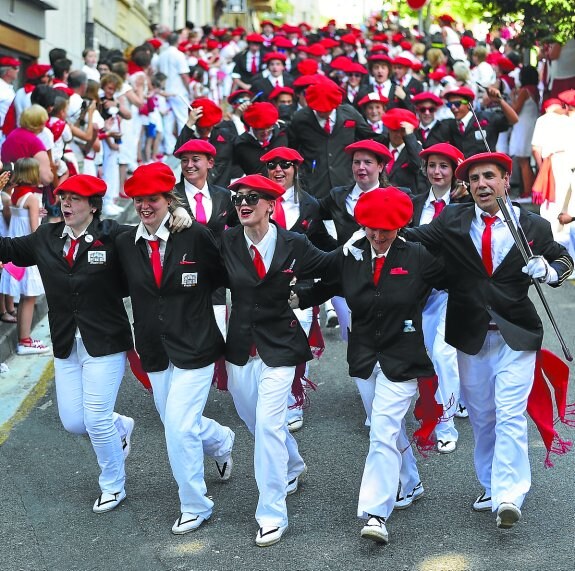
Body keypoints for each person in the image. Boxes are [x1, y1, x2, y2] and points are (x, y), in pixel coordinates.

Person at [405, 151, 573, 529]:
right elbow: (414, 236)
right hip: (470, 336)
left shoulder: (533, 225)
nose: (481, 184)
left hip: (516, 335)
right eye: (475, 179)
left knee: (510, 415)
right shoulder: (452, 219)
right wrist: (377, 227)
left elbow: (564, 260)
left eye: (489, 177)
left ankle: (510, 494)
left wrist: (548, 270)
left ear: (505, 181)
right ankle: (491, 484)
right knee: (483, 417)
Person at [293, 187, 443, 545]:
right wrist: (289, 297)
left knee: (381, 429)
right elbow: (324, 285)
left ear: (400, 227)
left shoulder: (418, 256)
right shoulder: (350, 254)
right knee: (388, 428)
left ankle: (376, 513)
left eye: (385, 230)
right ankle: (412, 482)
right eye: (371, 228)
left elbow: (456, 281)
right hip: (363, 356)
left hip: (404, 358)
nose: (377, 236)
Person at [0, 174, 135, 513]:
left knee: (96, 420)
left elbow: (152, 246)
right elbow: (8, 249)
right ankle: (122, 426)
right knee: (75, 421)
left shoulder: (115, 235)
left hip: (105, 341)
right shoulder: (46, 236)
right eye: (63, 197)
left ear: (93, 205)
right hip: (66, 342)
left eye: (75, 198)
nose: (67, 203)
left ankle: (113, 484)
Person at [117, 162, 234, 535]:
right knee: (177, 423)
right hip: (153, 348)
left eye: (153, 199)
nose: (145, 206)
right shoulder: (124, 242)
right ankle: (221, 439)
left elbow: (224, 277)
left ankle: (195, 505)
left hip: (196, 346)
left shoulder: (195, 235)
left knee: (178, 428)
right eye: (138, 200)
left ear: (169, 199)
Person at [221, 174, 337, 547]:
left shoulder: (295, 243)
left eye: (252, 198)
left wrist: (304, 293)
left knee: (269, 425)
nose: (243, 203)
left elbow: (333, 269)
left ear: (271, 205)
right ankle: (293, 463)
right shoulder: (224, 242)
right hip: (240, 347)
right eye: (238, 197)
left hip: (282, 346)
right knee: (254, 422)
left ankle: (271, 512)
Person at [261, 146, 337, 431]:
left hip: (300, 291)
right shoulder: (253, 202)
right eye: (272, 165)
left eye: (286, 165)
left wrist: (349, 254)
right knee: (267, 348)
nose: (278, 170)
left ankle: (294, 399)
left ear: (296, 169)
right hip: (263, 290)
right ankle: (274, 398)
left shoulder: (310, 205)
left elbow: (321, 244)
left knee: (297, 346)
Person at [411, 143, 471, 452]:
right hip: (422, 291)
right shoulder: (414, 203)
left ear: (454, 171)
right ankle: (457, 396)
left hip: (456, 290)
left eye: (443, 166)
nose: (437, 171)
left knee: (443, 353)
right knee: (426, 351)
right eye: (432, 165)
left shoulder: (466, 203)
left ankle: (445, 423)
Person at [172, 139, 238, 335]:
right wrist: (175, 207)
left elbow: (239, 230)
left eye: (195, 159)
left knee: (218, 336)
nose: (189, 165)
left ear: (210, 163)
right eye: (184, 160)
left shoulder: (224, 196)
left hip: (215, 280)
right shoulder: (169, 195)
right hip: (179, 280)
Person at [0, 158, 48, 353]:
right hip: (27, 253)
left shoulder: (14, 195)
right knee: (29, 297)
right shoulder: (33, 199)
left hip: (13, 251)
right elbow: (36, 231)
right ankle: (25, 340)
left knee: (22, 296)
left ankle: (23, 338)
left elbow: (14, 220)